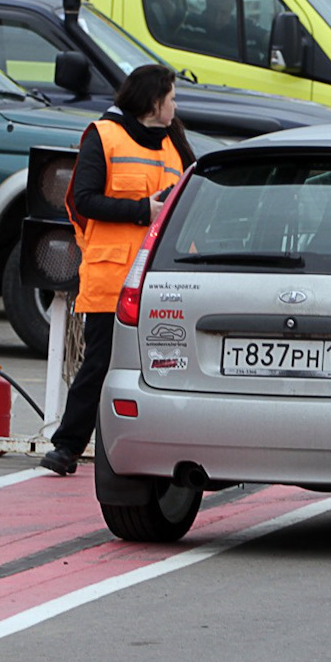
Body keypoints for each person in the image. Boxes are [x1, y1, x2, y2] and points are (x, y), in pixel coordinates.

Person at [41, 63, 193, 475]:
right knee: (101, 364)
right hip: (112, 276)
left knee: (173, 367)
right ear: (153, 101)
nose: (176, 106)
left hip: (164, 279)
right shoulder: (103, 136)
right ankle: (67, 447)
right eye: (172, 98)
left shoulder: (173, 139)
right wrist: (144, 210)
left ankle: (179, 450)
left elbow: (194, 189)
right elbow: (82, 200)